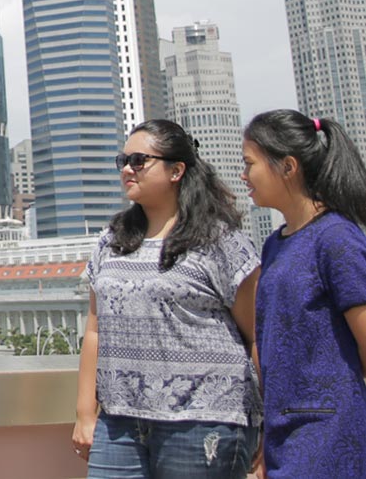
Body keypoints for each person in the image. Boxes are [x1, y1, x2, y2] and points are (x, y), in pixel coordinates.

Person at [72, 119, 261, 478]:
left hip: (205, 420)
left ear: (176, 170)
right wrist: (85, 413)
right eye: (123, 161)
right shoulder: (112, 239)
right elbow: (95, 329)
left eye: (139, 160)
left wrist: (270, 420)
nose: (127, 169)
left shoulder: (219, 241)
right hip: (119, 422)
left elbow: (257, 333)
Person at [242, 109, 366, 478]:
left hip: (332, 431)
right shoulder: (273, 245)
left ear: (288, 166)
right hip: (284, 431)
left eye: (249, 163)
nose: (243, 175)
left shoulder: (337, 238)